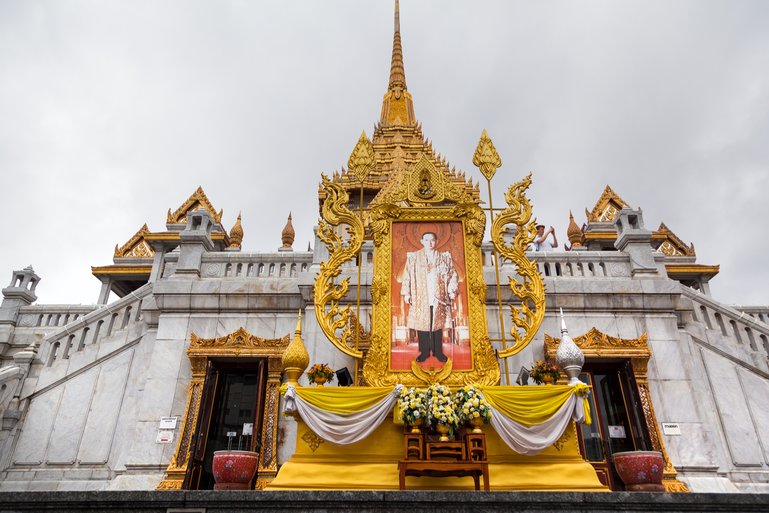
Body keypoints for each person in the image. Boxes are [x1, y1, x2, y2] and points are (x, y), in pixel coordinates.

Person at [401, 231, 458, 363]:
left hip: (438, 295)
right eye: (426, 240)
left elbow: (452, 274)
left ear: (436, 241)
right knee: (423, 324)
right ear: (422, 241)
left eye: (432, 240)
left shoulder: (444, 258)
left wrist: (451, 290)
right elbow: (407, 275)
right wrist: (407, 293)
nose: (429, 243)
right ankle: (424, 352)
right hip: (420, 294)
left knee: (437, 325)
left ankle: (438, 352)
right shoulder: (413, 258)